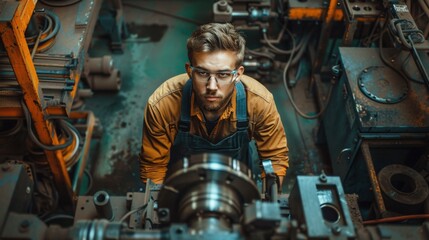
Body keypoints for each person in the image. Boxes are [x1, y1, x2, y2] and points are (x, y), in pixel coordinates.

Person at [139, 23, 289, 189]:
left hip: (238, 182)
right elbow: (154, 167)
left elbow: (275, 157)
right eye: (203, 73)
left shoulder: (260, 103)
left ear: (238, 75)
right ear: (190, 71)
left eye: (223, 74)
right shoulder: (162, 105)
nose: (211, 86)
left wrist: (269, 198)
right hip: (182, 183)